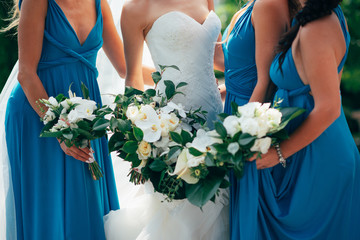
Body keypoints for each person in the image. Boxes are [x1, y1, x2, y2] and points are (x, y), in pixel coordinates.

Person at [0, 0, 130, 238]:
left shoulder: (100, 5)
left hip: (85, 118)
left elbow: (125, 67)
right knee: (49, 213)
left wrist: (172, 78)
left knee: (86, 203)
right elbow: (26, 74)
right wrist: (60, 129)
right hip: (38, 117)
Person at [103, 0, 229, 239]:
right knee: (183, 213)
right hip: (171, 128)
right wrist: (138, 134)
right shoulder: (135, 10)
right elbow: (133, 81)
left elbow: (218, 56)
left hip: (216, 117)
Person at [242, 0, 360, 238]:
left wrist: (278, 152)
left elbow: (329, 107)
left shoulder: (316, 28)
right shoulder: (321, 17)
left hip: (317, 157)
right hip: (311, 148)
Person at [221, 0, 297, 238]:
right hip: (236, 104)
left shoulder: (269, 5)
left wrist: (243, 135)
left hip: (251, 116)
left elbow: (265, 82)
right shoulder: (254, 4)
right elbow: (241, 64)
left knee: (253, 211)